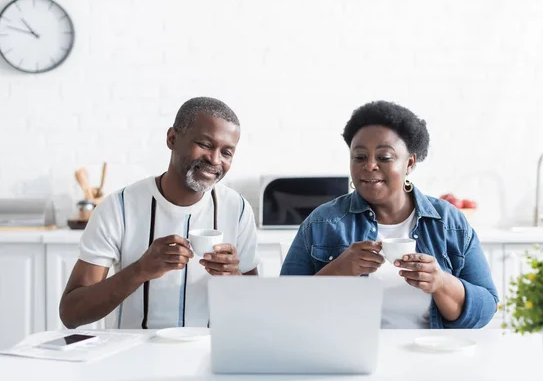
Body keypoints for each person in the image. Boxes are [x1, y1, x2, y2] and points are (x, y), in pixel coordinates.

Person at [280, 100, 498, 329]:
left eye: (384, 157)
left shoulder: (448, 222)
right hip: (349, 359)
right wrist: (340, 270)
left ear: (409, 163)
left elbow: (486, 309)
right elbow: (284, 308)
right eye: (360, 157)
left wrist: (441, 283)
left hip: (429, 357)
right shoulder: (322, 223)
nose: (370, 165)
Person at [60, 97, 258, 329]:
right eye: (205, 144)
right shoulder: (118, 207)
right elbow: (71, 313)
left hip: (210, 356)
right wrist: (141, 270)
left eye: (226, 152)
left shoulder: (239, 209)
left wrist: (233, 277)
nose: (215, 159)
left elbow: (256, 309)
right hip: (133, 358)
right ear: (172, 138)